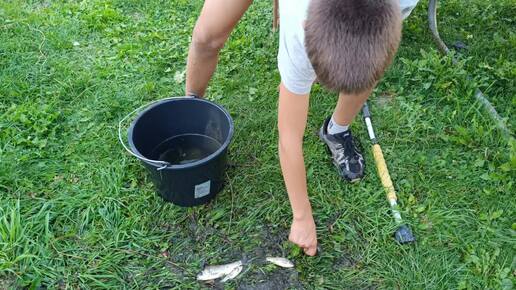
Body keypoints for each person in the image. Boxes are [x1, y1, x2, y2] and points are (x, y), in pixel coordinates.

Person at [185, 0, 419, 256]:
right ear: (306, 25)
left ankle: (337, 129)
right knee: (207, 38)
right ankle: (189, 111)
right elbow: (289, 137)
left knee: (361, 68)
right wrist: (301, 216)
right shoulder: (299, 17)